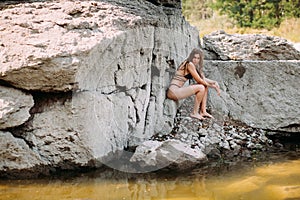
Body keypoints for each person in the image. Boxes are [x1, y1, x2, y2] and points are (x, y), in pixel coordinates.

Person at [166, 48, 221, 120]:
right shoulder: (189, 64)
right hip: (173, 91)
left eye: (198, 58)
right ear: (191, 57)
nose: (196, 60)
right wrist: (213, 86)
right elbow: (198, 80)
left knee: (204, 85)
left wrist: (214, 82)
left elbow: (203, 79)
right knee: (201, 87)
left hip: (177, 90)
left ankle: (203, 111)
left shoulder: (195, 66)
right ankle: (194, 113)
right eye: (194, 57)